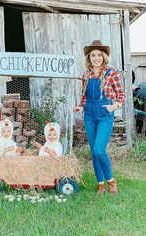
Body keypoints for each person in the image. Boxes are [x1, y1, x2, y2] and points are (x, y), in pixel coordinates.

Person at [73, 40, 125, 195]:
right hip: (89, 114)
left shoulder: (111, 73)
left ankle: (111, 181)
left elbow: (121, 95)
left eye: (99, 55)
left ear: (104, 57)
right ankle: (100, 183)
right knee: (93, 150)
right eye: (93, 55)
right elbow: (85, 96)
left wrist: (113, 106)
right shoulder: (86, 75)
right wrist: (80, 106)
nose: (96, 58)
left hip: (104, 115)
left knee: (98, 150)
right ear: (89, 57)